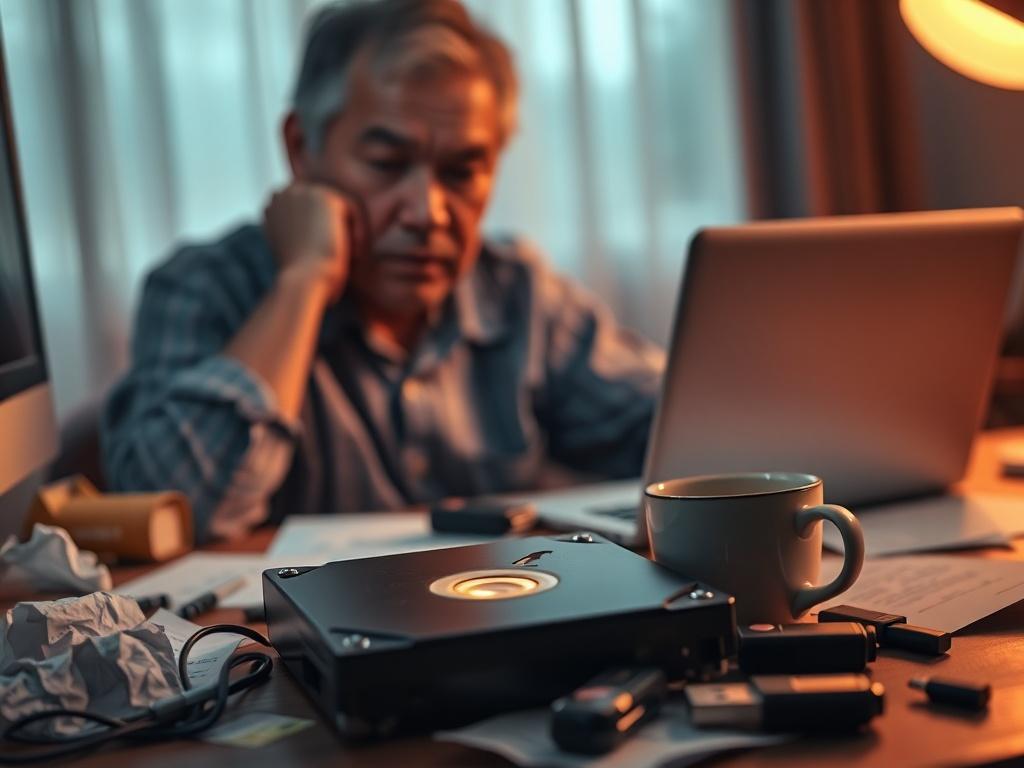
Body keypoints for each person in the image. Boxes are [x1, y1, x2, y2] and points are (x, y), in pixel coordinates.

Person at [101, 0, 664, 542]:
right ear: (301, 149)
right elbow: (177, 510)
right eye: (387, 164)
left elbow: (688, 439)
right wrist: (303, 281)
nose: (427, 213)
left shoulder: (521, 295)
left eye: (462, 171)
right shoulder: (204, 289)